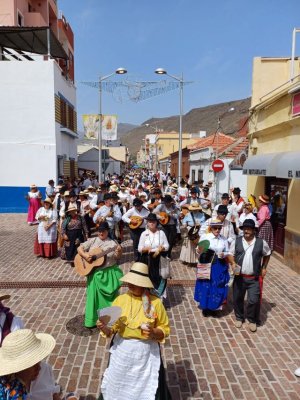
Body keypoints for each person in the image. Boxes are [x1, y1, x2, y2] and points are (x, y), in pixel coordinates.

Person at [97, 262, 171, 400]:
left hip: (146, 352)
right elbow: (111, 330)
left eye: (135, 283)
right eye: (129, 281)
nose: (130, 285)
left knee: (147, 389)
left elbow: (165, 329)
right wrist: (104, 327)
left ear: (144, 285)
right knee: (118, 385)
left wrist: (154, 332)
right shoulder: (120, 300)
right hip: (122, 351)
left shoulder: (155, 303)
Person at [77, 221, 123, 328]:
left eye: (103, 231)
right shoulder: (93, 240)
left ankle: (110, 320)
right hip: (94, 274)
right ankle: (93, 320)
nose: (101, 233)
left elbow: (117, 257)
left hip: (108, 274)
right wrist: (85, 255)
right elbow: (79, 248)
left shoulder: (113, 243)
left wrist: (119, 251)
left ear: (108, 231)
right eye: (99, 231)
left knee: (111, 299)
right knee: (93, 298)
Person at [231, 219, 271, 332]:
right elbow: (230, 254)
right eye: (244, 228)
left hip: (253, 278)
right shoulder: (237, 241)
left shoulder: (261, 243)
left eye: (249, 228)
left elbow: (267, 254)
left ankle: (252, 320)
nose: (246, 230)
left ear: (254, 230)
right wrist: (233, 263)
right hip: (239, 277)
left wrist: (264, 267)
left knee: (253, 300)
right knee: (238, 298)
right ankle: (239, 317)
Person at [0, 329, 56, 400]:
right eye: (31, 364)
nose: (39, 367)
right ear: (16, 368)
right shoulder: (6, 391)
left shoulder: (45, 369)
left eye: (37, 360)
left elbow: (52, 392)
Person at [194, 219, 234, 317]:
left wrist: (223, 254)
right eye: (215, 228)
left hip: (219, 265)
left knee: (217, 285)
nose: (217, 230)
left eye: (219, 228)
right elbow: (198, 250)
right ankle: (206, 307)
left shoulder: (224, 239)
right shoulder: (205, 237)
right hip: (206, 264)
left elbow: (228, 252)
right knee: (206, 284)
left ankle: (215, 307)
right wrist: (200, 250)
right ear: (211, 228)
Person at [138, 213, 169, 295]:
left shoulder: (161, 233)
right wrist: (146, 248)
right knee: (147, 278)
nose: (151, 223)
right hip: (147, 259)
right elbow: (139, 248)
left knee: (161, 277)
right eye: (149, 221)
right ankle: (148, 297)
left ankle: (159, 297)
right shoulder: (144, 234)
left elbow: (167, 246)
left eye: (153, 222)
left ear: (156, 223)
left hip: (160, 259)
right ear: (147, 223)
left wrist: (162, 248)